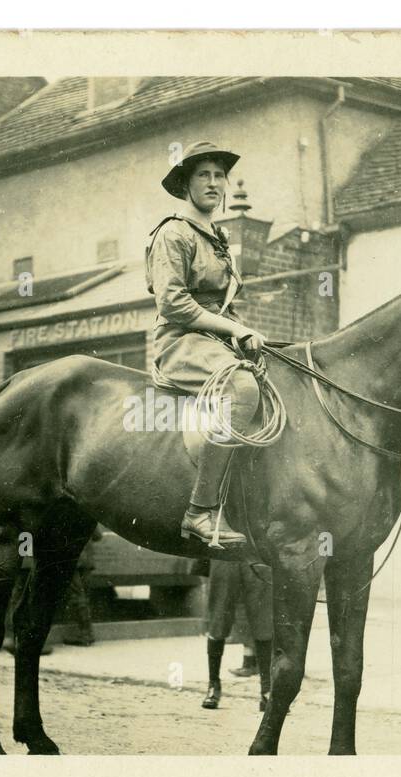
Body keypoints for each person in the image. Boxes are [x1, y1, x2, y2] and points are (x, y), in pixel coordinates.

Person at [146, 141, 266, 549]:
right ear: (186, 184)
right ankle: (200, 510)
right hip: (179, 340)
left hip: (212, 339)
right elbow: (174, 302)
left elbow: (222, 306)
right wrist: (234, 332)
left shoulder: (216, 237)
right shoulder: (173, 233)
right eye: (204, 175)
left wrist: (242, 331)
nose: (215, 183)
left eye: (220, 175)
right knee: (242, 389)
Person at [202, 560, 274, 712]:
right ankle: (213, 685)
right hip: (224, 551)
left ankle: (267, 691)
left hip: (256, 554)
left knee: (263, 620)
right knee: (218, 618)